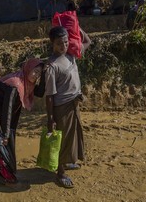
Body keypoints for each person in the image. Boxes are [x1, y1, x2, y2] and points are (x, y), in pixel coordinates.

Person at [0, 58, 44, 184]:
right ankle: (4, 174)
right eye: (35, 71)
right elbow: (7, 110)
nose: (36, 75)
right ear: (27, 69)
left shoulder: (27, 83)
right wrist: (6, 134)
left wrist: (45, 75)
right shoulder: (15, 85)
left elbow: (41, 91)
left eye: (39, 73)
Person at [44, 26, 90, 188]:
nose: (63, 45)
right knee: (62, 140)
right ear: (52, 44)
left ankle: (69, 162)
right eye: (59, 43)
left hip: (74, 103)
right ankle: (60, 173)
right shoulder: (52, 66)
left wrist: (76, 27)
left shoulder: (71, 55)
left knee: (73, 136)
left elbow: (87, 41)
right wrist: (50, 119)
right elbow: (49, 96)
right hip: (61, 108)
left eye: (65, 41)